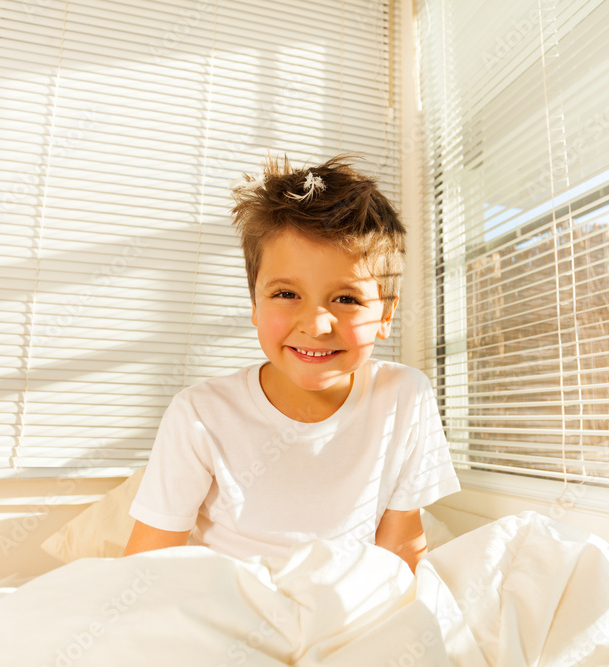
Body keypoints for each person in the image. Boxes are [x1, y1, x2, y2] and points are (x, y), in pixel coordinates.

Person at [122, 155, 459, 572]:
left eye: (347, 299)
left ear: (386, 316)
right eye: (286, 294)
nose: (316, 326)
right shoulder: (199, 414)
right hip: (228, 608)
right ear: (255, 305)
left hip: (344, 608)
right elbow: (148, 561)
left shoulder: (405, 396)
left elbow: (401, 549)